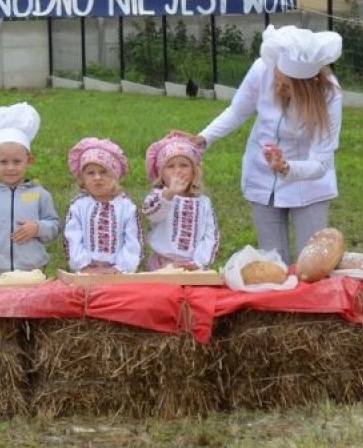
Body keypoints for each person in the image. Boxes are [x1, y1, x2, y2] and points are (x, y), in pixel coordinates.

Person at [196, 24, 343, 268]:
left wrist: (287, 168)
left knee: (314, 263)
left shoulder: (330, 94)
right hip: (263, 179)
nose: (277, 88)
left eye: (286, 86)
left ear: (307, 86)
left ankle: (315, 305)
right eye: (277, 80)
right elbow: (237, 111)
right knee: (273, 261)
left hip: (309, 184)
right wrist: (203, 138)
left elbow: (321, 162)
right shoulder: (263, 68)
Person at [0, 102, 59, 282]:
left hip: (32, 273)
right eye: (3, 162)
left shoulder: (40, 195)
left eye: (17, 161)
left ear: (29, 160)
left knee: (33, 311)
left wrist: (38, 228)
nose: (11, 168)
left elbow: (54, 228)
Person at [141, 131, 219, 271]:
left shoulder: (203, 203)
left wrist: (198, 262)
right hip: (162, 264)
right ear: (161, 174)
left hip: (191, 266)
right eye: (170, 166)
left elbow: (210, 236)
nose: (178, 171)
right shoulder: (158, 196)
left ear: (194, 170)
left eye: (184, 165)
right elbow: (151, 214)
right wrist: (169, 194)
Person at [63, 137, 141, 274]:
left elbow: (133, 242)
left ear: (115, 175)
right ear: (83, 179)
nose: (97, 177)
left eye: (103, 172)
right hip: (87, 273)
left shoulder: (126, 207)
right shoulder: (78, 206)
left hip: (118, 274)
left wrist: (121, 267)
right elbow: (72, 238)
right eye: (91, 173)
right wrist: (83, 265)